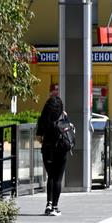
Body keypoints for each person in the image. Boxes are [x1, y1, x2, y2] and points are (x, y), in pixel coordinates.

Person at [36, 86, 68, 216]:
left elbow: (39, 138)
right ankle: (55, 207)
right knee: (58, 178)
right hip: (61, 150)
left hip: (47, 150)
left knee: (51, 176)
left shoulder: (43, 120)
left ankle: (48, 205)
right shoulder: (63, 118)